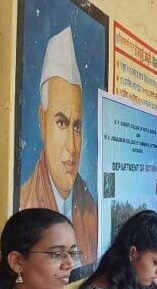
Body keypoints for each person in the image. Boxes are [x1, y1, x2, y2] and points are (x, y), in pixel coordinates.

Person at [20, 27, 98, 266]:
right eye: (61, 122)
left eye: (77, 126)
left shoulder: (91, 211)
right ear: (42, 120)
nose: (72, 147)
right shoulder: (25, 203)